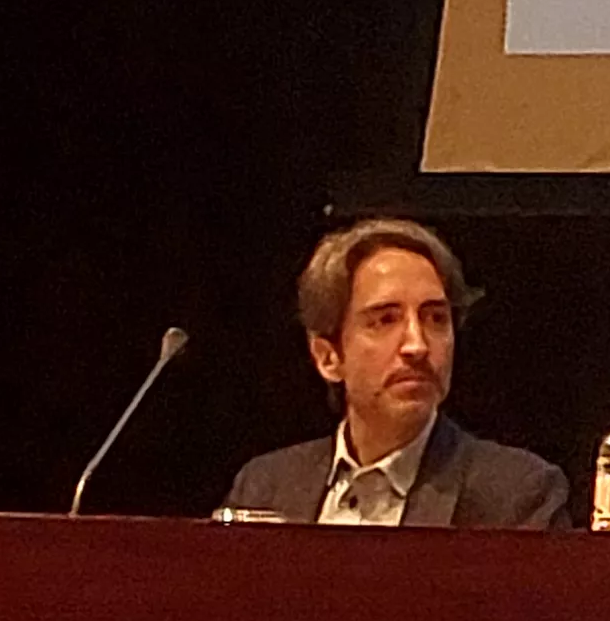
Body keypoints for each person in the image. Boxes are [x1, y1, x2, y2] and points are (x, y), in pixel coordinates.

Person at [219, 217, 573, 529]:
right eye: (385, 320)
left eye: (435, 318)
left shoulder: (517, 495)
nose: (417, 346)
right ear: (328, 357)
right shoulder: (265, 487)